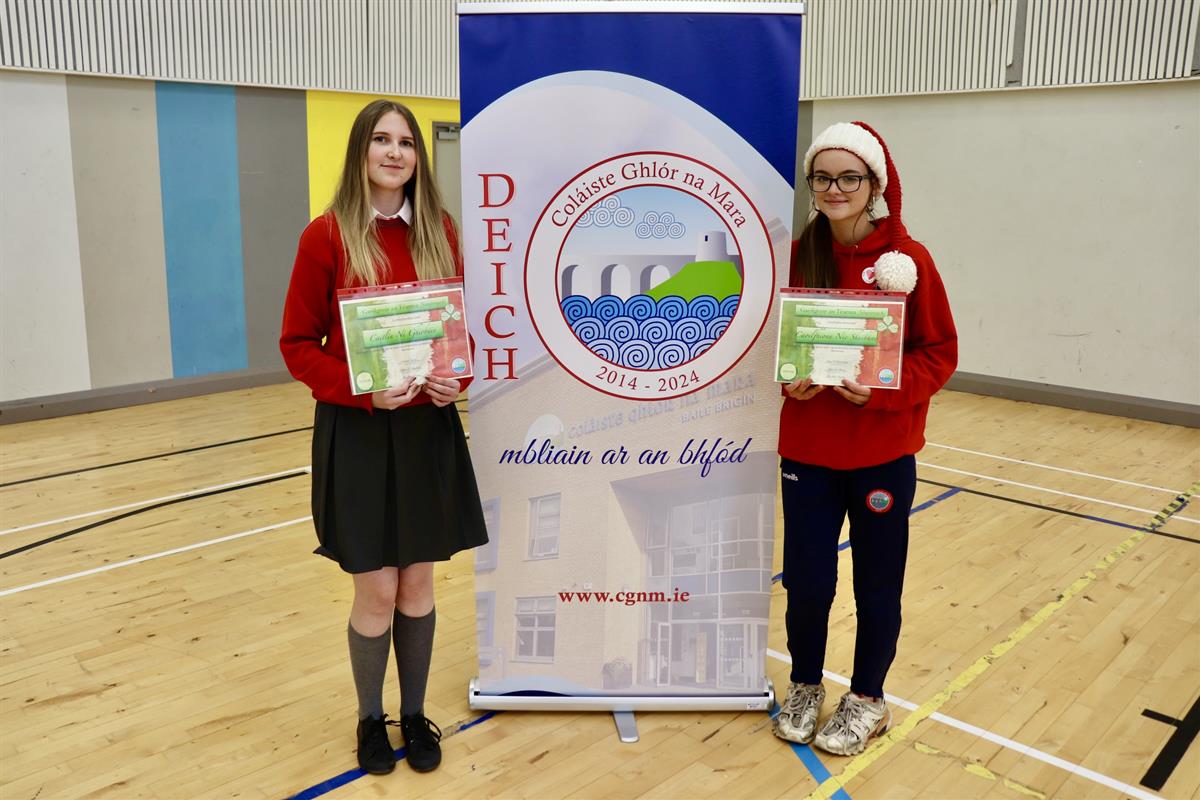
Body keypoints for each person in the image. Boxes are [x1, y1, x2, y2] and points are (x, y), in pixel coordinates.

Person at [280, 99, 488, 775]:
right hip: (360, 435)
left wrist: (456, 379)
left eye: (406, 142)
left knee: (418, 583)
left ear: (418, 158)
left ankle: (414, 714)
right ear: (361, 152)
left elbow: (458, 335)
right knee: (375, 590)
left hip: (426, 432)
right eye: (381, 139)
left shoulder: (440, 232)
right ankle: (371, 719)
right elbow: (296, 346)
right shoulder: (325, 237)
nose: (395, 152)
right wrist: (361, 390)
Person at [772, 121, 957, 755]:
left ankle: (869, 698)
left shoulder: (909, 262)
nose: (835, 188)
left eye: (849, 177)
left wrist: (883, 392)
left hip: (881, 454)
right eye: (822, 177)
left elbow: (939, 353)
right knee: (807, 581)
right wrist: (789, 381)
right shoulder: (799, 254)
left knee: (877, 584)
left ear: (873, 184)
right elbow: (775, 342)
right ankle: (804, 684)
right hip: (808, 453)